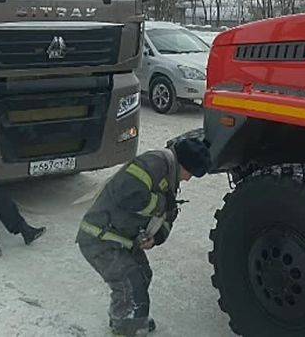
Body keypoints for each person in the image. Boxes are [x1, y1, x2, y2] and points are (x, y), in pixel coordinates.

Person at [77, 139, 211, 336]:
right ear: (182, 164)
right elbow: (129, 194)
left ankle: (125, 318)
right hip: (99, 237)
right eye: (190, 173)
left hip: (120, 239)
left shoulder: (169, 176)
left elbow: (168, 215)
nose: (188, 179)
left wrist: (155, 238)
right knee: (130, 283)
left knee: (142, 274)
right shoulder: (154, 163)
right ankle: (126, 326)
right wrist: (161, 204)